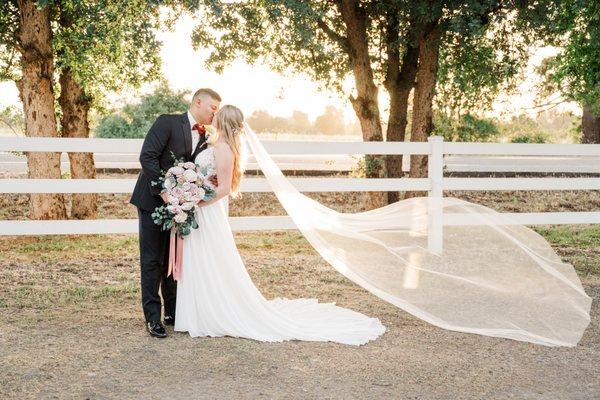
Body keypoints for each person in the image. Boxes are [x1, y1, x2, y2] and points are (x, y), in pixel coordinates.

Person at [173, 105, 387, 345]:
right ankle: (198, 312)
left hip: (207, 212)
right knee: (200, 260)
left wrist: (195, 202)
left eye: (217, 116)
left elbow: (223, 189)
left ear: (223, 122)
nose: (213, 117)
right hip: (201, 209)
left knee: (209, 260)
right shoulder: (216, 144)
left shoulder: (223, 149)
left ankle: (210, 314)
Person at [130, 88, 221, 338]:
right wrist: (164, 194)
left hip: (182, 207)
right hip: (152, 200)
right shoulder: (167, 122)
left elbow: (196, 168)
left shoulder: (206, 137)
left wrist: (206, 182)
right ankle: (152, 318)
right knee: (152, 260)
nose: (216, 113)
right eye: (213, 107)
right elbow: (147, 157)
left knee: (174, 258)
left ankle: (173, 311)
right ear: (198, 102)